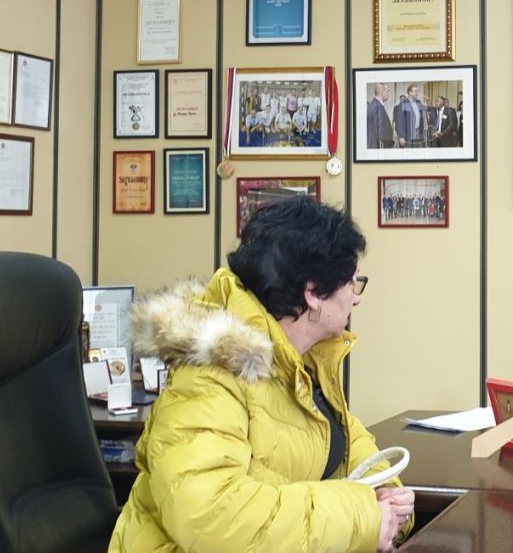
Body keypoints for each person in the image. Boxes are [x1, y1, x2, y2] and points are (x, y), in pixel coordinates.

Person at [109, 197, 414, 553]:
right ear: (313, 293)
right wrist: (362, 517)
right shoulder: (211, 375)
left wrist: (384, 496)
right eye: (351, 282)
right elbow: (213, 517)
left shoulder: (304, 358)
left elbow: (347, 441)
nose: (356, 298)